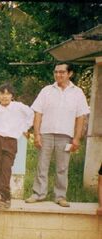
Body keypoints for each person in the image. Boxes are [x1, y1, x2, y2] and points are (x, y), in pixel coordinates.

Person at [25, 63, 90, 207]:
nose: (58, 75)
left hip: (66, 136)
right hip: (46, 134)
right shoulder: (46, 91)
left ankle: (60, 196)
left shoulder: (77, 93)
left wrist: (77, 139)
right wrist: (36, 135)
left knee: (62, 167)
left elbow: (81, 117)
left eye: (62, 72)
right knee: (42, 165)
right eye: (56, 72)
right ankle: (38, 194)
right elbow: (38, 113)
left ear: (70, 74)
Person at [0, 83, 34, 210]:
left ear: (12, 95)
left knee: (6, 167)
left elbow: (32, 115)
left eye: (8, 93)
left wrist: (24, 128)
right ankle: (0, 195)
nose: (5, 96)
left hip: (11, 140)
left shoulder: (18, 107)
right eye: (2, 93)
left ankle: (5, 195)